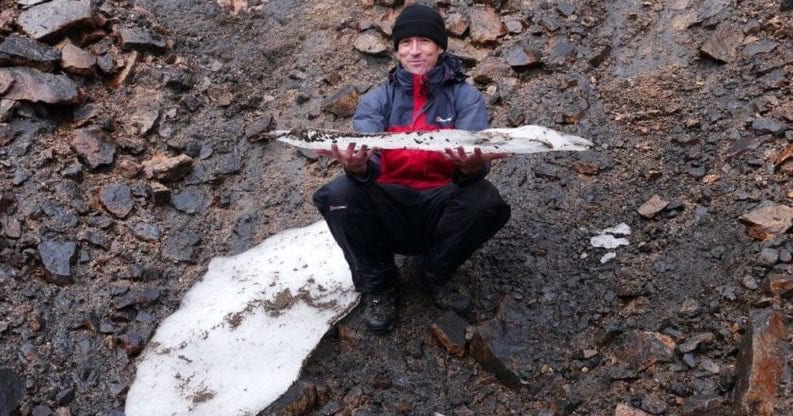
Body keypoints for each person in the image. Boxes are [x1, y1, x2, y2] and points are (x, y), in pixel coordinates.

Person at [312, 4, 511, 334]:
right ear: (397, 50)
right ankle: (380, 284)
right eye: (406, 43)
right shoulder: (377, 100)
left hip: (440, 207)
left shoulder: (466, 98)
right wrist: (359, 167)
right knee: (338, 194)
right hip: (389, 207)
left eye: (424, 41)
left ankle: (438, 270)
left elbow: (474, 167)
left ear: (440, 47)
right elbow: (368, 161)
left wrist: (472, 167)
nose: (415, 51)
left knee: (486, 200)